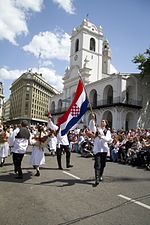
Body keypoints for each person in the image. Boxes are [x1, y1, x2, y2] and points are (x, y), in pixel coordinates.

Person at [89, 119, 112, 186]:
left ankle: (100, 175)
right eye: (101, 121)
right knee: (97, 164)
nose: (102, 122)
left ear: (106, 123)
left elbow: (108, 139)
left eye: (104, 121)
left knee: (103, 164)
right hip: (97, 150)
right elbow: (91, 126)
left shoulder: (107, 131)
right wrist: (93, 119)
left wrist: (101, 136)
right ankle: (97, 179)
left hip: (104, 150)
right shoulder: (97, 129)